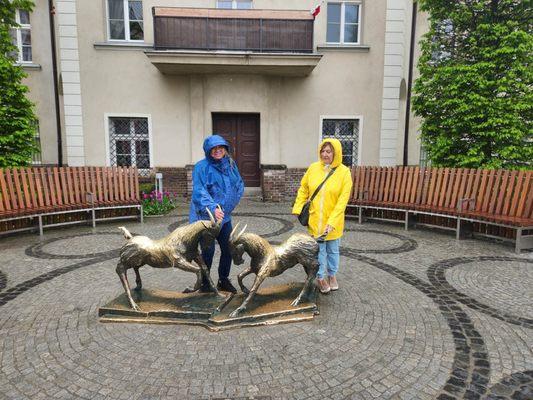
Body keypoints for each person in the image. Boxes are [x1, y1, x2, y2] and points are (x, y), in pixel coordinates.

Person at [292, 138, 353, 294]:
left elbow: (342, 201)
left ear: (336, 153)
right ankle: (320, 277)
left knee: (333, 251)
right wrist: (298, 207)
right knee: (318, 252)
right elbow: (303, 188)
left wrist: (332, 221)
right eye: (323, 151)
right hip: (315, 220)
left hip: (333, 223)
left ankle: (332, 275)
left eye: (329, 151)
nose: (325, 154)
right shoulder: (313, 168)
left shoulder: (344, 173)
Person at [189, 134, 244, 293]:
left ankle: (223, 280)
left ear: (225, 149)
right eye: (214, 148)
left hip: (224, 218)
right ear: (208, 151)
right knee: (208, 251)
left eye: (221, 148)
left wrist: (231, 203)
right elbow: (199, 191)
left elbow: (238, 184)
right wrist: (213, 207)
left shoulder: (231, 165)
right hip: (205, 219)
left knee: (228, 249)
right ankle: (205, 284)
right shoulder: (201, 167)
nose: (218, 151)